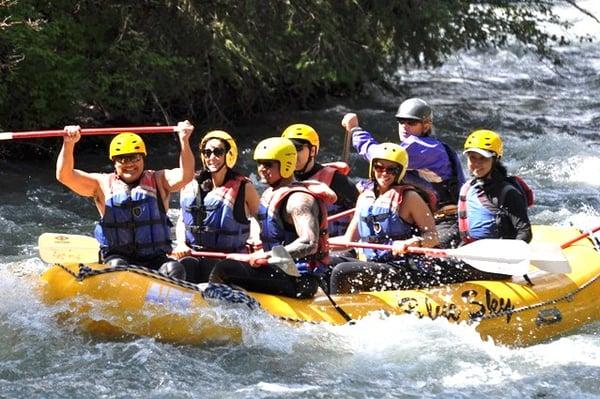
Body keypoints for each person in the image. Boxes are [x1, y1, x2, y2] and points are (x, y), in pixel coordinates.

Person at [329, 143, 506, 295]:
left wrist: (414, 243)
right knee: (329, 263)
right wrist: (319, 244)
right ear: (372, 168)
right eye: (380, 167)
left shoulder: (410, 198)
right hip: (376, 265)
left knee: (341, 272)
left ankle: (341, 315)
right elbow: (348, 241)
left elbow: (433, 236)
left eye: (392, 169)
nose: (384, 173)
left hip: (404, 269)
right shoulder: (365, 197)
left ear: (400, 172)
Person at [56, 121, 195, 279]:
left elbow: (187, 174)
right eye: (122, 159)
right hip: (117, 258)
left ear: (143, 158)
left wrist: (184, 140)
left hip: (154, 259)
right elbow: (64, 176)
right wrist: (68, 144)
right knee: (118, 268)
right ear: (114, 162)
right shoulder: (101, 184)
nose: (129, 164)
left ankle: (165, 299)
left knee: (174, 269)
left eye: (134, 158)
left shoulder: (159, 180)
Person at [208, 137, 337, 298]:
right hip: (280, 269)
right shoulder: (270, 193)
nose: (261, 169)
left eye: (268, 164)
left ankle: (213, 310)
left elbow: (309, 243)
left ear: (286, 165)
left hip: (300, 278)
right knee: (224, 263)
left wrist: (266, 255)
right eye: (260, 163)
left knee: (224, 269)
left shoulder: (299, 200)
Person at [341, 98, 465, 248]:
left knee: (431, 258)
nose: (404, 127)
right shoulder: (411, 148)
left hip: (446, 221)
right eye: (401, 122)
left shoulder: (427, 148)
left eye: (411, 123)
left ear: (426, 126)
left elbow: (377, 155)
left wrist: (355, 130)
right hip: (418, 219)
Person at [172, 130, 260, 283]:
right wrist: (180, 243)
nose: (212, 157)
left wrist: (258, 242)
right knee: (182, 268)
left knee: (210, 268)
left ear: (228, 155)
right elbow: (182, 220)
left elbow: (261, 220)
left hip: (227, 259)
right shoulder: (189, 184)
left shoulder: (244, 187)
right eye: (207, 152)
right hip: (194, 254)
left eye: (218, 152)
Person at [281, 123, 359, 236]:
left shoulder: (336, 180)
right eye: (288, 150)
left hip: (335, 247)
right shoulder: (282, 179)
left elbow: (362, 211)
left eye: (297, 149)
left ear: (312, 151)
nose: (292, 154)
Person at [458, 129, 532, 243]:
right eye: (472, 157)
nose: (477, 163)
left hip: (498, 252)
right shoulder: (468, 188)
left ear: (495, 160)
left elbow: (525, 232)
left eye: (483, 158)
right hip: (470, 249)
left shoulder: (507, 192)